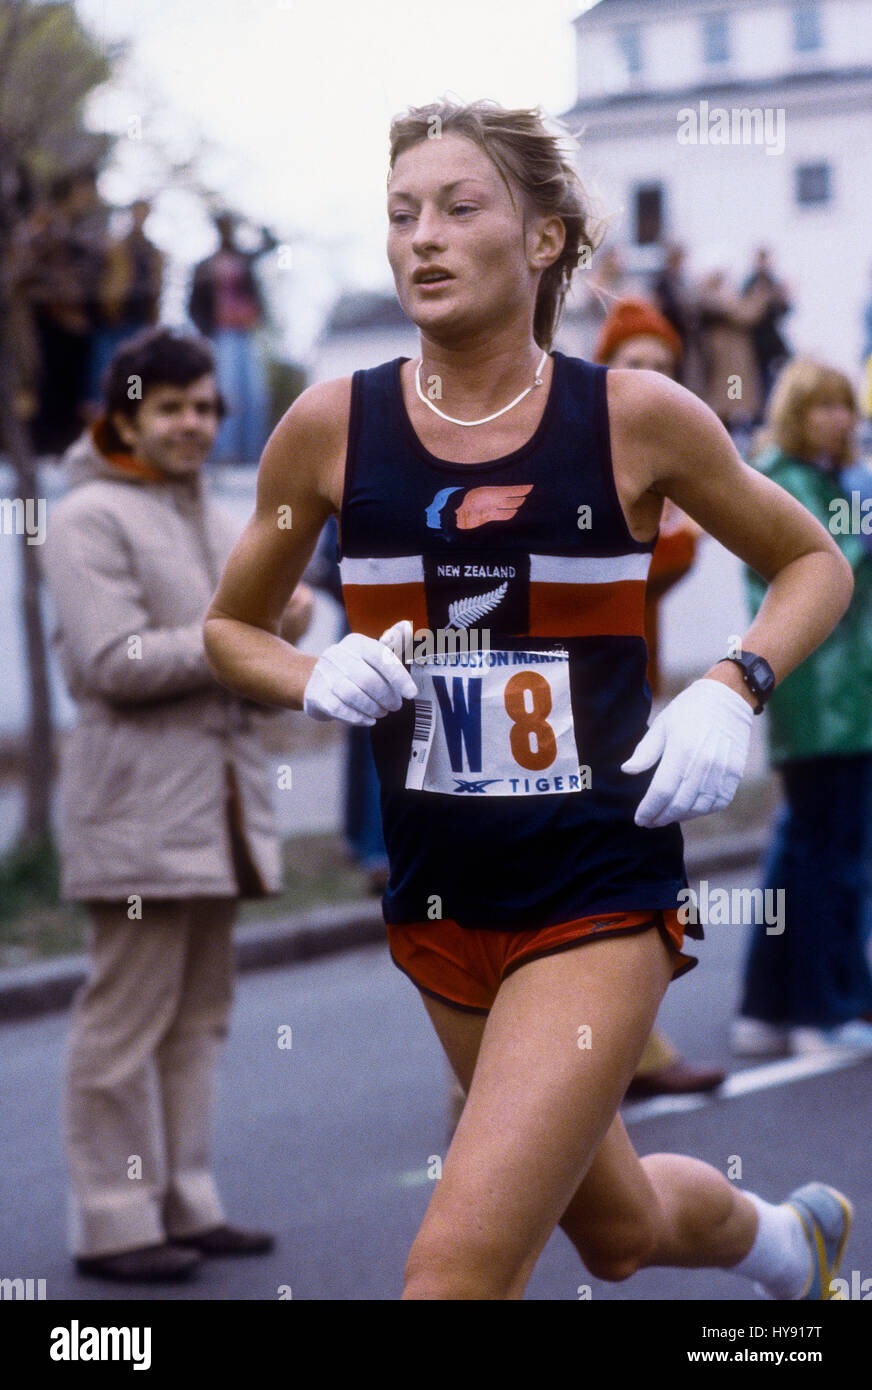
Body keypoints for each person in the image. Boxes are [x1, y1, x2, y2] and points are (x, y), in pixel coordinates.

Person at [204, 100, 855, 1301]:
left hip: (595, 886)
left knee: (453, 1271)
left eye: (459, 208)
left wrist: (731, 681)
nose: (422, 240)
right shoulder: (326, 428)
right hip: (440, 896)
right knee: (613, 1230)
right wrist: (310, 670)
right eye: (401, 214)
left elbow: (817, 559)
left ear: (543, 239)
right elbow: (227, 627)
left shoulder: (633, 416)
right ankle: (784, 1241)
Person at [41, 326, 312, 1283]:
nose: (194, 424)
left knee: (200, 1019)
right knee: (124, 1027)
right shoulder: (85, 518)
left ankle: (185, 1200)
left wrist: (282, 617)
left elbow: (250, 619)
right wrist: (235, 640)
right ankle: (114, 1220)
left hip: (215, 810)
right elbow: (115, 663)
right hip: (136, 814)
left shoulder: (200, 504)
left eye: (205, 407)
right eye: (171, 409)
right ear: (125, 416)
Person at [593, 297, 723, 1099]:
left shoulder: (664, 447)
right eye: (634, 364)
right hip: (572, 704)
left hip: (629, 691)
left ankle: (632, 1049)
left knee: (632, 870)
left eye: (663, 369)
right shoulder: (585, 452)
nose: (648, 381)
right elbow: (658, 559)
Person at [732, 359, 872, 1056]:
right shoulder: (787, 482)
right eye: (822, 407)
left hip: (834, 699)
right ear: (796, 413)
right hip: (823, 700)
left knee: (801, 855)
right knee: (835, 857)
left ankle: (767, 1007)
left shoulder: (817, 478)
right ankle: (825, 1010)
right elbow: (821, 575)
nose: (839, 419)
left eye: (844, 405)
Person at [188, 211, 277, 463]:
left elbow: (272, 244)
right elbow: (193, 304)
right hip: (222, 335)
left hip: (246, 334)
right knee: (227, 393)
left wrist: (255, 222)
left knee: (254, 394)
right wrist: (206, 332)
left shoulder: (244, 258)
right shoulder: (205, 265)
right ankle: (224, 453)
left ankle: (254, 454)